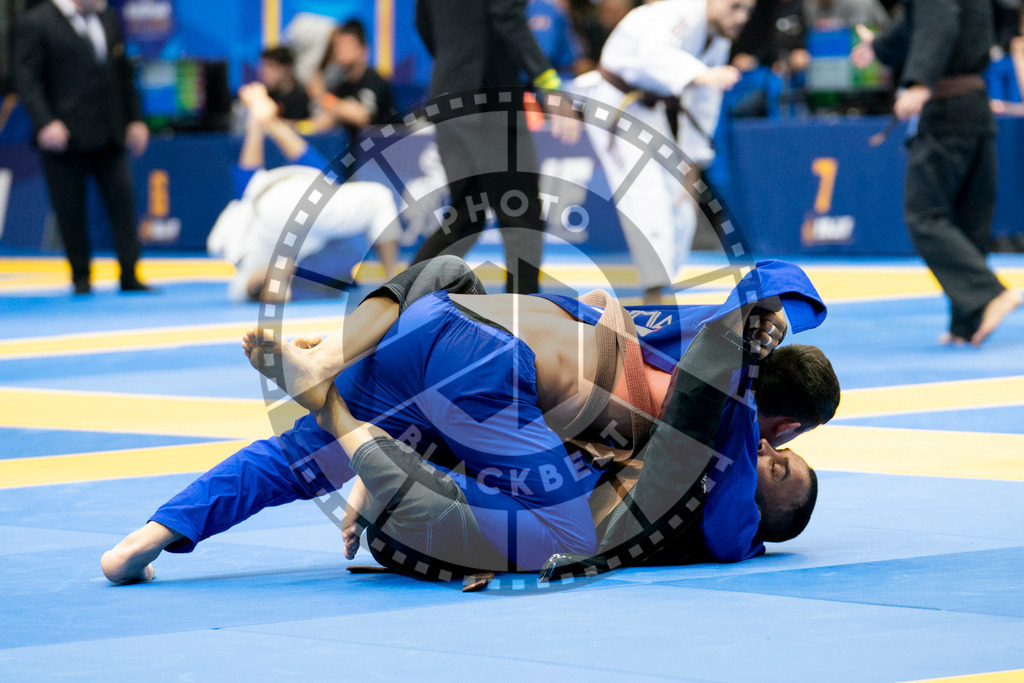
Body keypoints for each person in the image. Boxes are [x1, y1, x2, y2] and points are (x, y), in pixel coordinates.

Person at [101, 257, 835, 584]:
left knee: (295, 456)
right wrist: (758, 315)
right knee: (556, 521)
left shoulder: (683, 378)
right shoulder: (710, 419)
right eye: (780, 453)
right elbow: (726, 354)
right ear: (783, 431)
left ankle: (147, 536)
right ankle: (337, 399)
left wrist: (764, 309)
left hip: (438, 334)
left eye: (780, 468)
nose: (770, 457)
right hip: (485, 368)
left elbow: (736, 521)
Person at [851, 1, 1023, 346]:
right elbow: (916, 25)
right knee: (967, 220)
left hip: (945, 107)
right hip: (975, 105)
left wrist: (919, 81)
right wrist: (878, 47)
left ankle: (988, 293)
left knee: (924, 215)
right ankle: (967, 324)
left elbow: (937, 24)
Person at [570, 0, 755, 304]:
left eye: (748, 10)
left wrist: (693, 161)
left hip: (647, 107)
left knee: (680, 200)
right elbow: (651, 55)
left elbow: (704, 101)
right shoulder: (677, 11)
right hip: (614, 102)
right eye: (735, 7)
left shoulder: (718, 36)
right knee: (646, 196)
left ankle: (668, 281)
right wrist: (699, 74)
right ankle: (656, 290)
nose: (741, 17)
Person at [410, 0, 580, 295]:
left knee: (467, 215)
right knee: (522, 211)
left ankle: (399, 303)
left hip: (449, 94)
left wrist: (456, 63)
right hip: (489, 98)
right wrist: (548, 82)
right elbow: (507, 16)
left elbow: (423, 23)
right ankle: (524, 318)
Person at [207, 83, 399, 303]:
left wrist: (259, 121)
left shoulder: (256, 203)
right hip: (299, 204)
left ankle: (269, 277)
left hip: (274, 221)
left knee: (241, 288)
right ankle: (391, 278)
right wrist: (266, 120)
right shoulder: (314, 181)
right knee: (379, 197)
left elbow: (248, 174)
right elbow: (296, 150)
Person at [13, 0, 152, 295]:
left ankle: (130, 273)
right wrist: (45, 122)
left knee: (124, 203)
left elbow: (123, 73)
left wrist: (136, 119)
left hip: (110, 131)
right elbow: (27, 78)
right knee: (70, 209)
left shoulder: (107, 18)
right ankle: (81, 277)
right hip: (63, 135)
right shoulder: (37, 22)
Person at [308, 19, 395, 138]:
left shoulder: (374, 80)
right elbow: (327, 120)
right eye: (336, 46)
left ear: (362, 49)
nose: (338, 51)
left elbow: (362, 116)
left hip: (384, 148)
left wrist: (323, 97)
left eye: (345, 45)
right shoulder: (342, 85)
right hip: (352, 150)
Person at [258, 46, 310, 122]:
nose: (265, 72)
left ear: (287, 68)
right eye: (264, 66)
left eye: (271, 65)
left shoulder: (304, 96)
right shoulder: (266, 97)